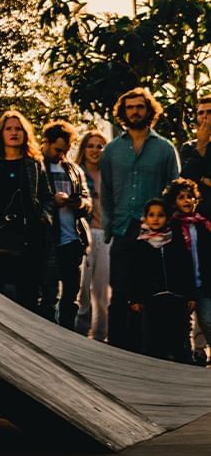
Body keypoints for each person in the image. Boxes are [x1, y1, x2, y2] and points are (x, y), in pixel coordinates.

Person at [101, 87, 180, 350]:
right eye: (130, 107)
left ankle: (154, 350)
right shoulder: (112, 150)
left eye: (140, 107)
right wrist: (110, 227)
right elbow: (107, 191)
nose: (135, 111)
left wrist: (170, 230)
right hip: (124, 229)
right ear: (123, 112)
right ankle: (115, 350)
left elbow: (174, 191)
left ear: (149, 111)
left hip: (155, 233)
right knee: (120, 293)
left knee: (152, 293)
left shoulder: (165, 148)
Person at [0, 110, 52, 310]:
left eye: (18, 129)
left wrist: (44, 219)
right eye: (9, 129)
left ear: (25, 133)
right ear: (1, 133)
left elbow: (47, 196)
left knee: (28, 302)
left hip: (29, 242)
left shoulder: (33, 163)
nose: (14, 133)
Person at [37, 121, 92, 329]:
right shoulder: (36, 166)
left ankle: (69, 336)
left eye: (66, 151)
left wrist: (79, 203)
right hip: (48, 241)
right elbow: (32, 201)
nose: (61, 154)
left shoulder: (73, 169)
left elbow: (87, 201)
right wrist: (53, 200)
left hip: (73, 240)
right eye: (58, 149)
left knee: (71, 298)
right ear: (46, 142)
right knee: (48, 297)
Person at [128, 198, 196, 363]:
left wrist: (190, 295)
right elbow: (135, 274)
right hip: (152, 300)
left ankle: (183, 368)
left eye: (160, 215)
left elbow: (186, 268)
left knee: (179, 338)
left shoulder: (176, 240)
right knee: (154, 340)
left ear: (167, 218)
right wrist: (135, 298)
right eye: (151, 215)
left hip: (176, 298)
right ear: (145, 218)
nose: (156, 219)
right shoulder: (141, 243)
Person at [164, 177, 211, 366]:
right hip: (183, 285)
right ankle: (187, 355)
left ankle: (202, 350)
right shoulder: (172, 227)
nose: (186, 200)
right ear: (174, 201)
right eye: (181, 197)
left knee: (207, 320)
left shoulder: (203, 225)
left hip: (204, 283)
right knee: (184, 324)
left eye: (190, 197)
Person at [73, 129, 110, 341]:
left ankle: (100, 337)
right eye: (91, 145)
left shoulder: (109, 175)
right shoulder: (75, 172)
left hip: (105, 235)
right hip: (83, 235)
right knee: (82, 291)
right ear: (84, 148)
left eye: (100, 146)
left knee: (102, 292)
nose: (95, 150)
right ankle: (78, 336)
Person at [180, 95, 211, 218]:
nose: (204, 116)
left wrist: (202, 178)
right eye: (201, 113)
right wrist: (201, 145)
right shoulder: (189, 147)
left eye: (209, 112)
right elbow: (187, 180)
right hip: (198, 218)